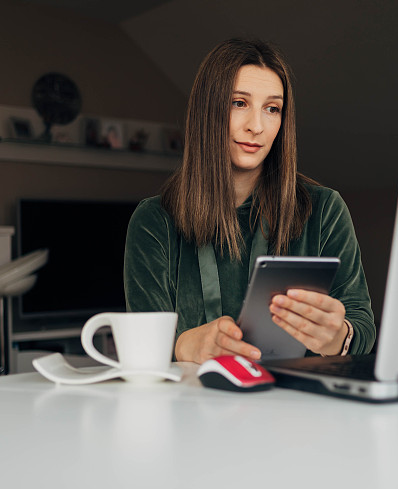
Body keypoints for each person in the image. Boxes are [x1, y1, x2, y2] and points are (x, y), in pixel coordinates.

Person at [124, 38, 376, 364]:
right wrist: (184, 345)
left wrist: (338, 335)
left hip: (294, 396)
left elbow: (362, 327)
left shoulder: (324, 208)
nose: (256, 126)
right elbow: (143, 347)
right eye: (239, 103)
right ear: (207, 111)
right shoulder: (154, 220)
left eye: (272, 109)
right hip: (192, 397)